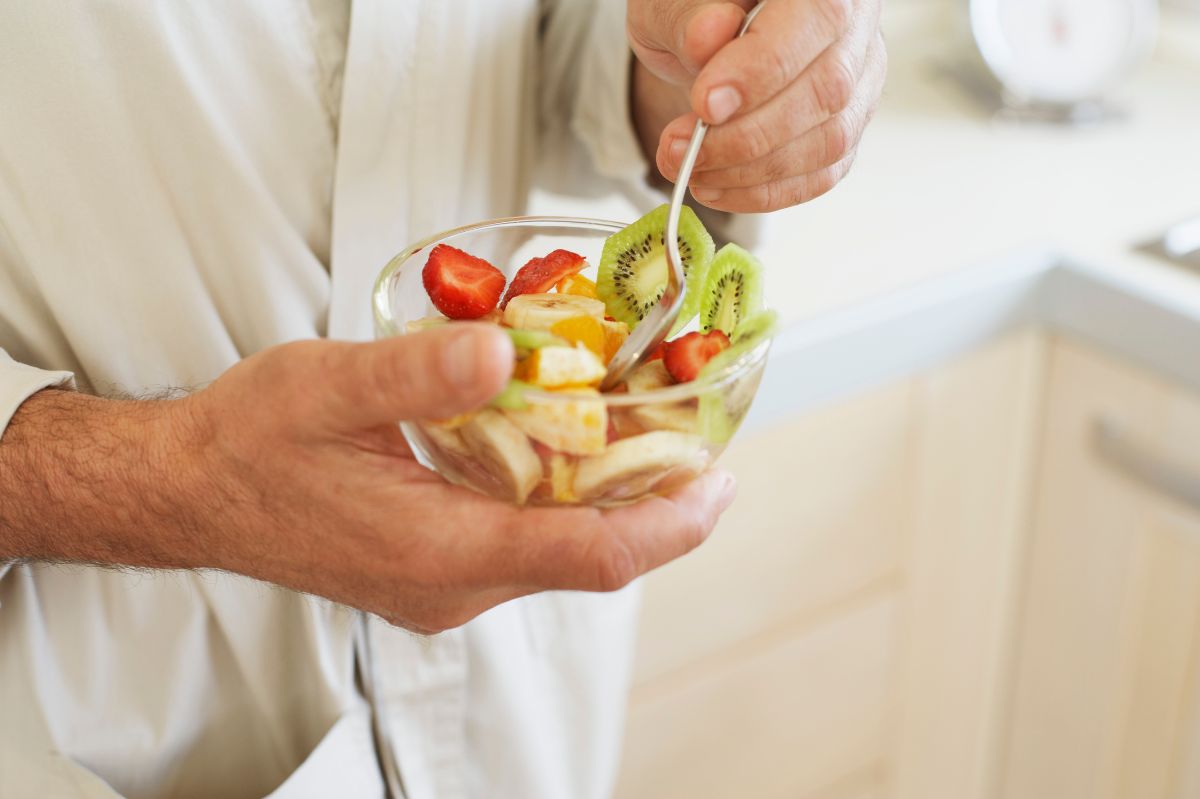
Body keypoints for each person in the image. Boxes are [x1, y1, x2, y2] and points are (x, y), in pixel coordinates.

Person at [0, 1, 885, 796]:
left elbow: (546, 36)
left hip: (511, 711)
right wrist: (181, 477)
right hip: (110, 713)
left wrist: (688, 69)